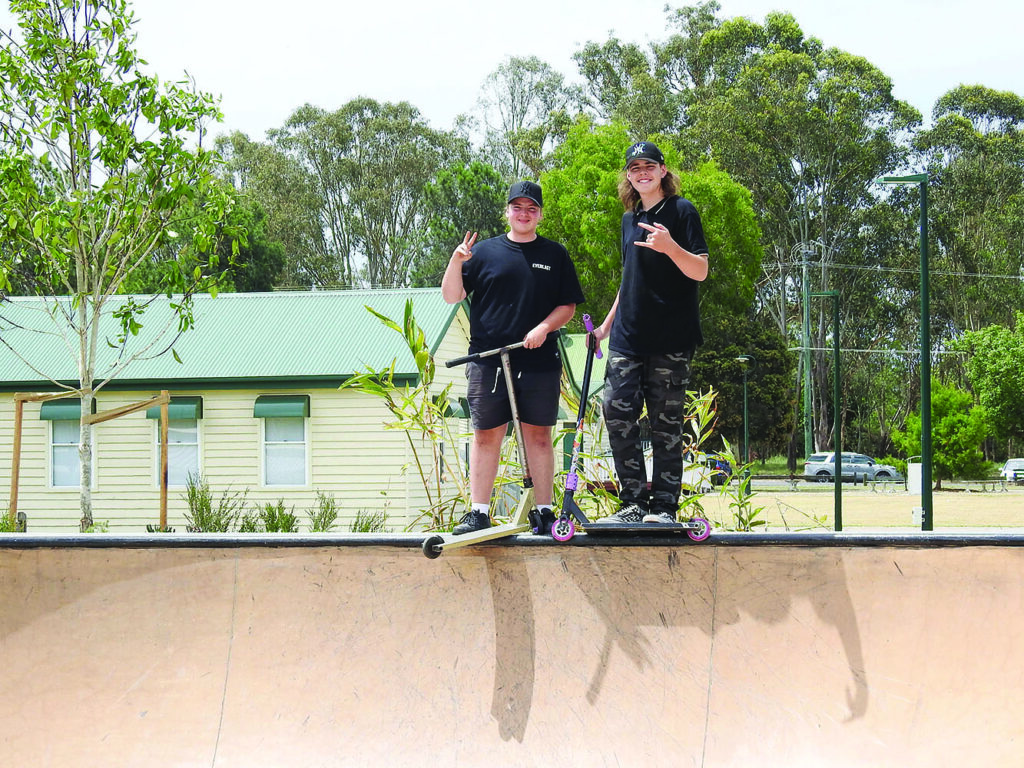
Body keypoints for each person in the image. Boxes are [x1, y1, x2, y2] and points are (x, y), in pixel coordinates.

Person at [442, 180, 585, 535]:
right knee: (486, 434)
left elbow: (568, 306)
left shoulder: (555, 254)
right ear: (507, 211)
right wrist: (456, 261)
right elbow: (451, 296)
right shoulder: (484, 253)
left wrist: (543, 328)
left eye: (531, 209)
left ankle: (544, 510)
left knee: (538, 436)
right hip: (488, 361)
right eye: (517, 208)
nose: (524, 214)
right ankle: (478, 511)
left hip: (538, 361)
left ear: (539, 214)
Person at [593, 141, 710, 524]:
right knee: (617, 411)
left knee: (665, 422)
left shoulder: (682, 211)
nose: (641, 173)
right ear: (628, 176)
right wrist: (608, 324)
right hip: (628, 336)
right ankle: (631, 503)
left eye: (649, 166)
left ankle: (663, 507)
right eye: (634, 168)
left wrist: (670, 246)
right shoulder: (628, 219)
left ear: (663, 171)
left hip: (670, 337)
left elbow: (700, 271)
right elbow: (629, 278)